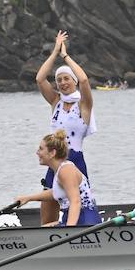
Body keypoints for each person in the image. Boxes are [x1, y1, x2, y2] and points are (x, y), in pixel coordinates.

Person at [34, 30, 95, 226]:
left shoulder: (83, 105)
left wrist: (65, 56)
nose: (62, 83)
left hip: (74, 159)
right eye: (59, 80)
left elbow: (85, 80)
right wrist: (54, 51)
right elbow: (40, 79)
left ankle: (74, 230)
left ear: (74, 82)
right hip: (54, 159)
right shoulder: (55, 102)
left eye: (66, 79)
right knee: (48, 211)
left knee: (76, 204)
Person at [15, 130, 102, 227]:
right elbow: (56, 192)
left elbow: (76, 201)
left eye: (41, 149)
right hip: (74, 220)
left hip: (85, 222)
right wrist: (28, 198)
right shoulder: (60, 169)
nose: (37, 153)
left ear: (52, 153)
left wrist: (69, 231)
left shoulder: (66, 170)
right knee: (42, 229)